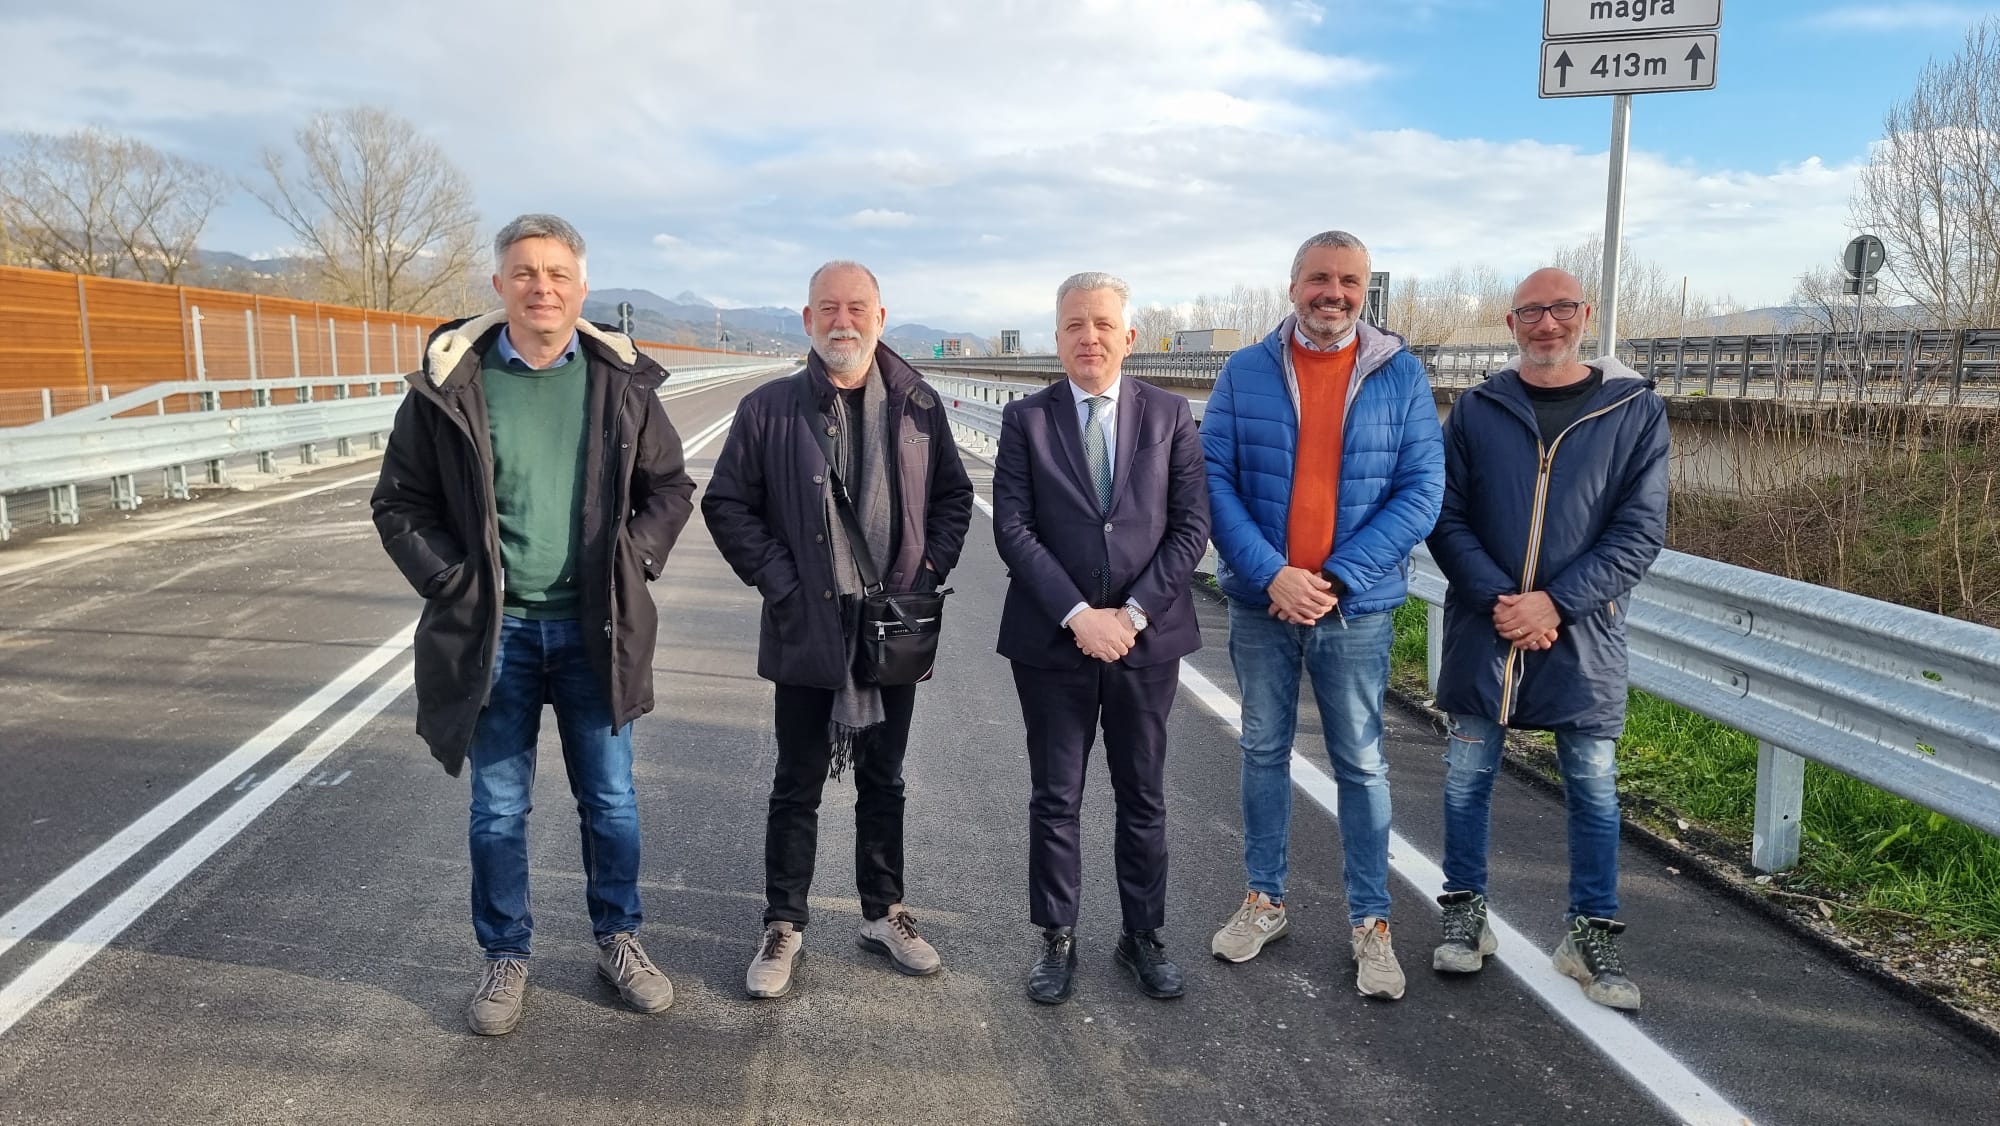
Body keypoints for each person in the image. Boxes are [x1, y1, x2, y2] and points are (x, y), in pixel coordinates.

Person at [372, 213, 694, 1035]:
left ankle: (619, 939)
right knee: (497, 809)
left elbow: (669, 488)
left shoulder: (620, 382)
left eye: (556, 274)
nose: (540, 288)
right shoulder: (452, 382)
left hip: (597, 630)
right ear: (499, 285)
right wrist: (450, 579)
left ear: (581, 289)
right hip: (496, 634)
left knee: (611, 801)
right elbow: (399, 502)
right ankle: (505, 954)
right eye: (524, 273)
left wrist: (635, 560)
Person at [702, 260, 974, 999]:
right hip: (806, 624)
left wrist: (925, 572)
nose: (842, 321)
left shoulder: (919, 407)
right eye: (828, 308)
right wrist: (783, 583)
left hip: (892, 626)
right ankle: (783, 922)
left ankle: (884, 913)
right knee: (796, 781)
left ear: (880, 318)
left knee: (885, 778)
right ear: (807, 319)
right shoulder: (770, 409)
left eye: (857, 308)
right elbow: (726, 504)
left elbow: (954, 497)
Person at [1201, 230, 1443, 1001]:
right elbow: (1213, 479)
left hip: (1354, 609)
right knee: (1263, 750)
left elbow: (1421, 491)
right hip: (1263, 603)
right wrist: (1271, 573)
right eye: (1318, 279)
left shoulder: (1401, 375)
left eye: (1347, 281)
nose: (1332, 294)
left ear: (1364, 292)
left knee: (1362, 764)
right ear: (1293, 285)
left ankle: (1372, 922)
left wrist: (1336, 577)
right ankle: (1264, 900)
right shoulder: (1245, 371)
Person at [1425, 267, 1668, 1011]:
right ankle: (1465, 915)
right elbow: (1444, 515)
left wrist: (1553, 603)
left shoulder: (1633, 410)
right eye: (1530, 312)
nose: (1547, 324)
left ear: (1585, 315)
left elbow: (1639, 532)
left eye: (1561, 309)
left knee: (1592, 786)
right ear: (1511, 324)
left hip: (1584, 633)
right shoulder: (1478, 409)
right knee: (1467, 778)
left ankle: (1589, 934)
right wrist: (1503, 602)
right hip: (1486, 628)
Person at [993, 271, 1211, 1005]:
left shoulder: (1170, 414)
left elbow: (1191, 527)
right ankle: (1056, 937)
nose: (1089, 337)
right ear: (1057, 338)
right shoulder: (1026, 419)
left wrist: (1133, 614)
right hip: (1054, 641)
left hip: (1146, 642)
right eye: (1074, 325)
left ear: (1129, 336)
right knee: (1056, 796)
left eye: (1102, 324)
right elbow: (1014, 528)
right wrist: (1079, 614)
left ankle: (1141, 935)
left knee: (1142, 794)